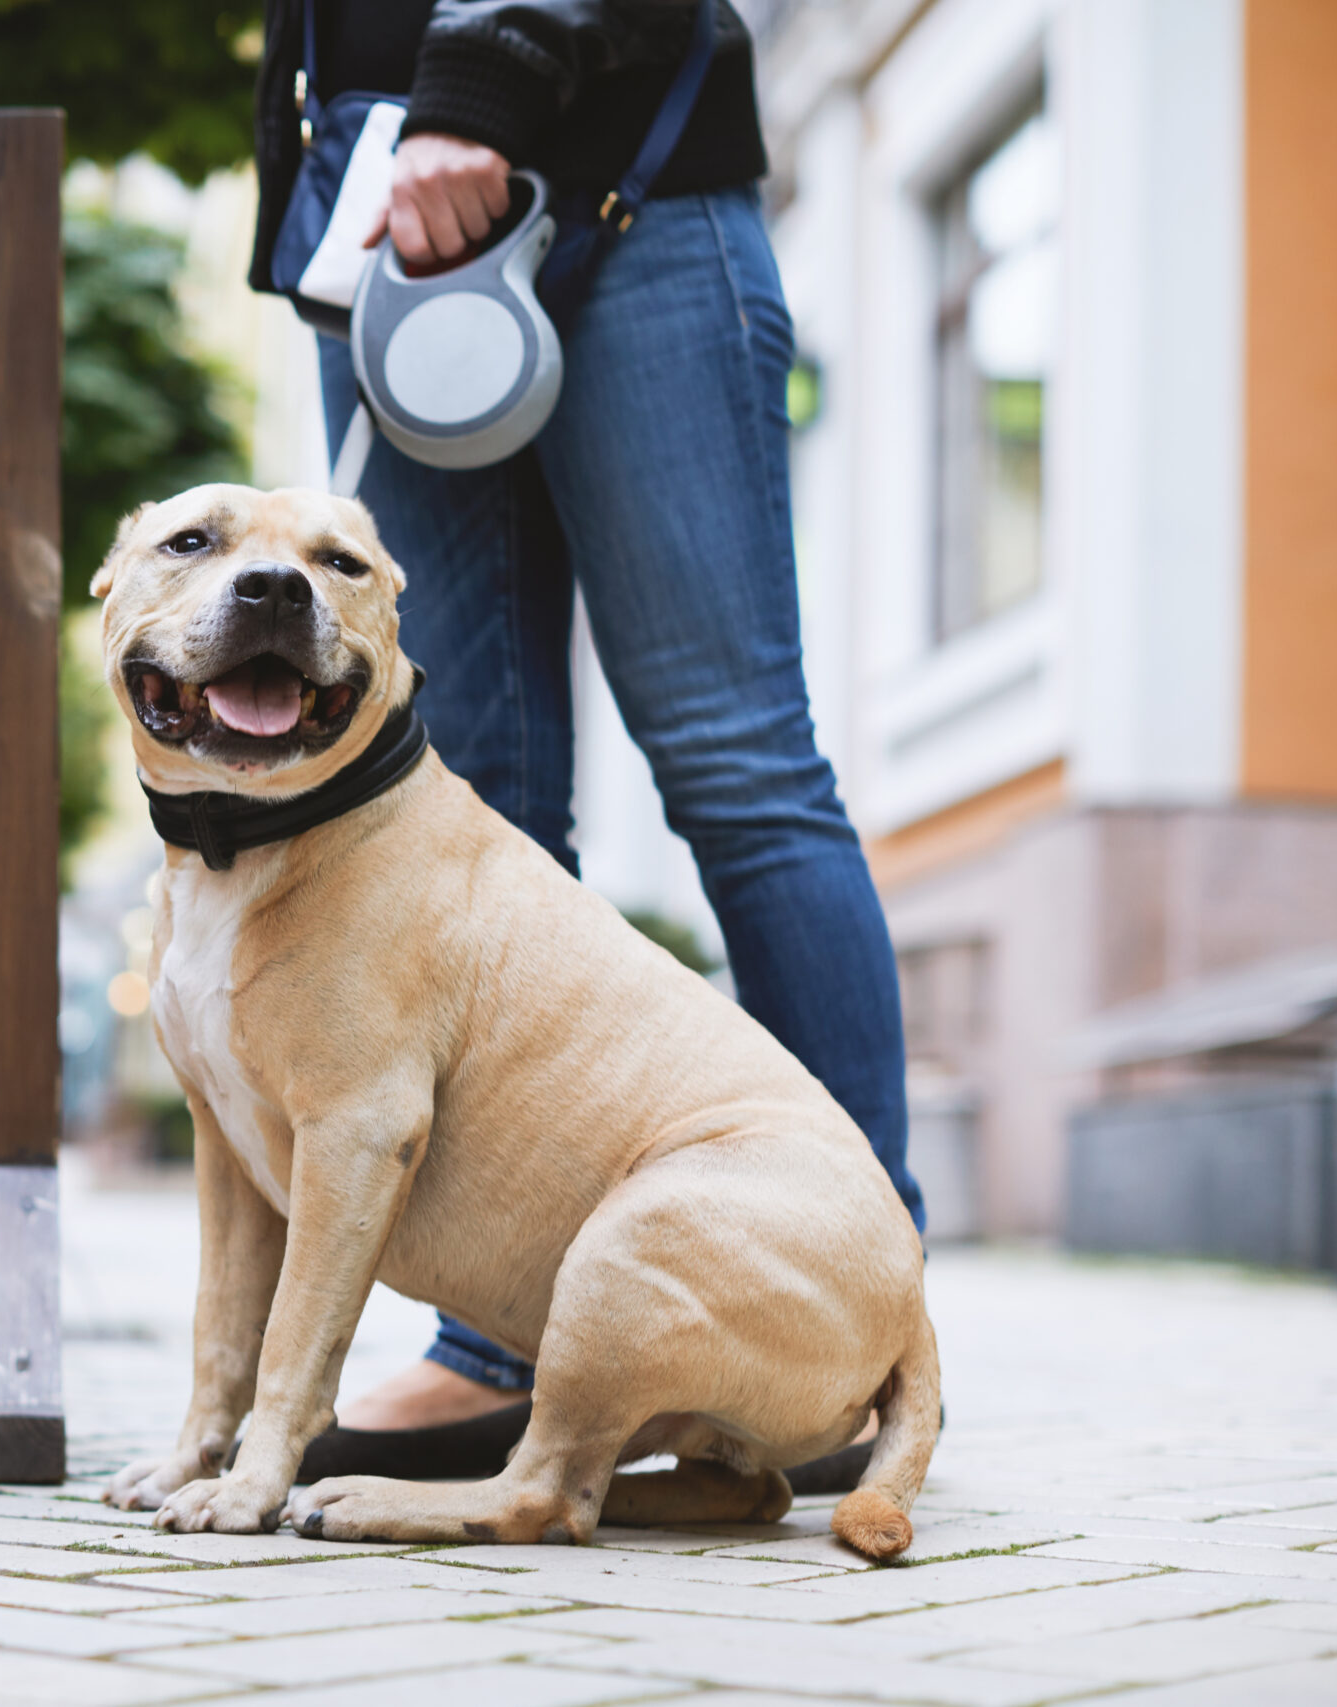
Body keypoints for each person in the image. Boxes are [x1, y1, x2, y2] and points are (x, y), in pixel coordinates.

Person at [247, 0, 928, 1482]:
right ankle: (511, 1338)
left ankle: (848, 1314)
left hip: (624, 193)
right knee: (465, 799)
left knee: (738, 765)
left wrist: (479, 91)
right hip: (383, 215)